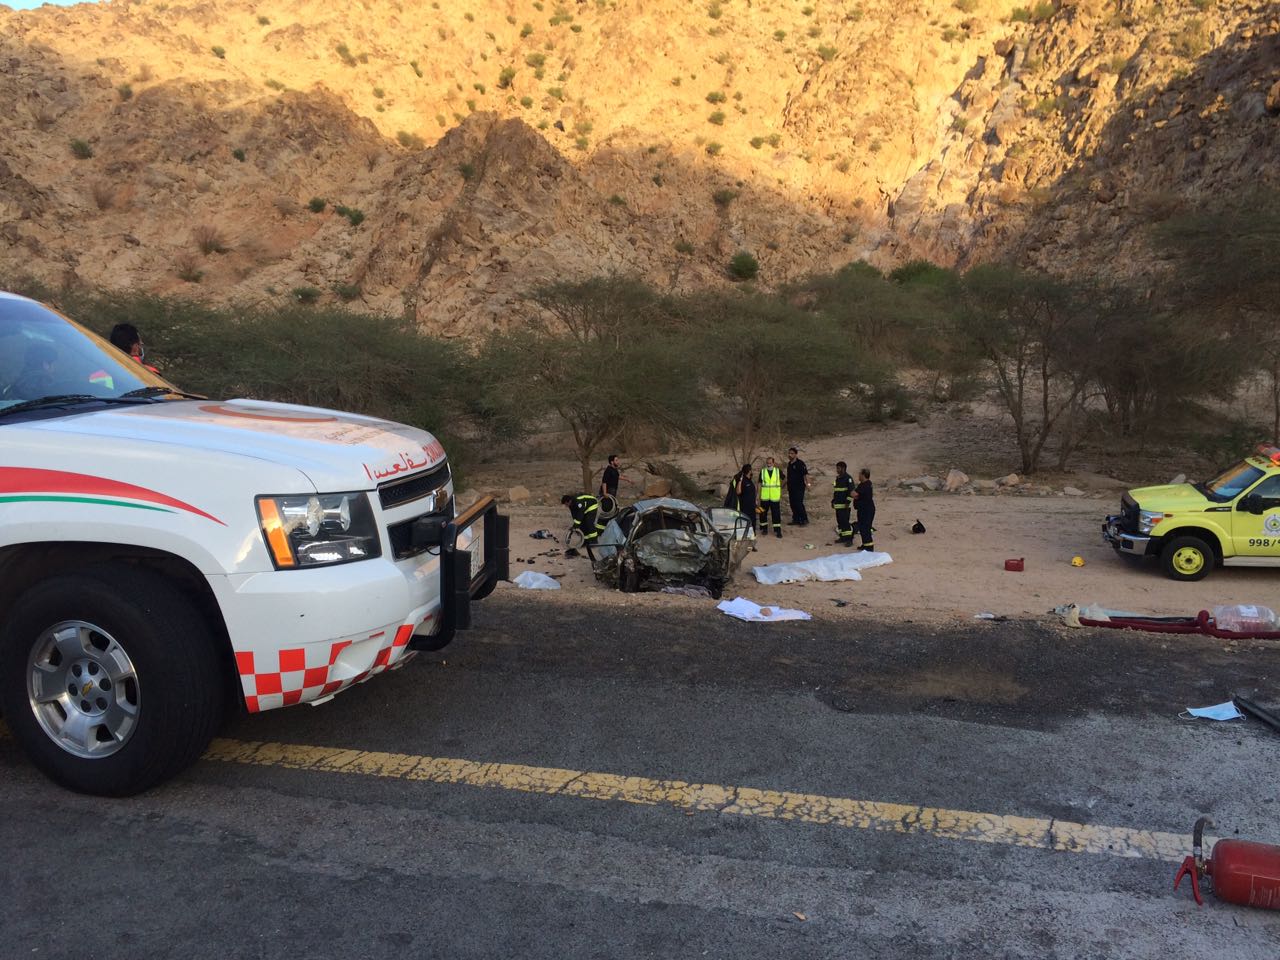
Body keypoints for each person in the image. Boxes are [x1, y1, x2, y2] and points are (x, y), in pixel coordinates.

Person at [758, 456, 783, 539]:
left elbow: (784, 478)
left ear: (773, 463)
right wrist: (758, 494)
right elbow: (759, 483)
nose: (768, 464)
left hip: (774, 497)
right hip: (764, 497)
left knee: (776, 514)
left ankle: (778, 530)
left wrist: (781, 486)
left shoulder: (778, 471)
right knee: (763, 513)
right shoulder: (763, 471)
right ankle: (764, 529)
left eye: (770, 463)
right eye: (767, 463)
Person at [785, 446, 810, 526]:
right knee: (792, 503)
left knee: (798, 503)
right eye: (789, 453)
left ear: (796, 454)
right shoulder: (789, 464)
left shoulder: (800, 463)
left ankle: (804, 519)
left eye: (792, 453)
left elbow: (805, 474)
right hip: (791, 488)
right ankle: (796, 519)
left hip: (799, 487)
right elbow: (788, 476)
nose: (790, 455)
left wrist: (808, 484)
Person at [831, 461, 854, 546]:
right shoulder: (838, 479)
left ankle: (849, 539)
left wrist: (847, 502)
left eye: (838, 468)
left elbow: (851, 492)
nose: (837, 470)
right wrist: (833, 501)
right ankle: (843, 537)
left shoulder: (848, 478)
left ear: (843, 468)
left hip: (844, 505)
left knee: (845, 523)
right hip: (838, 505)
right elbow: (836, 491)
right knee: (840, 522)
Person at [853, 467, 875, 551]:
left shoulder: (865, 485)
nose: (858, 476)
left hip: (866, 510)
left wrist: (849, 491)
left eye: (859, 474)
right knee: (862, 528)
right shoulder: (863, 484)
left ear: (863, 475)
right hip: (862, 509)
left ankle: (869, 547)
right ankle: (865, 544)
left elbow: (855, 494)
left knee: (866, 528)